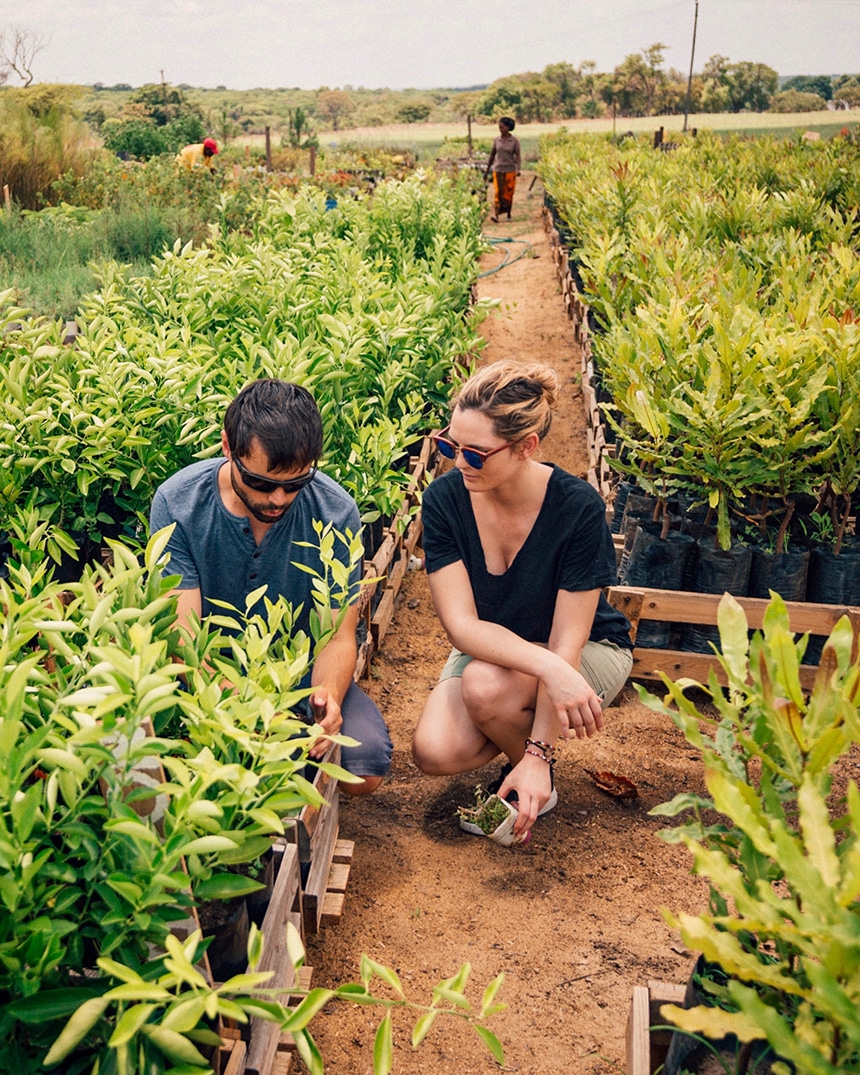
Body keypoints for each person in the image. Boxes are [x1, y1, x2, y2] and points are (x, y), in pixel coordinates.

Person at [412, 361, 633, 838]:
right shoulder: (446, 500)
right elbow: (462, 628)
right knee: (433, 750)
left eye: (475, 454)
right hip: (495, 645)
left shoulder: (576, 508)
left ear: (525, 447)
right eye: (450, 446)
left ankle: (536, 773)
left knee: (485, 687)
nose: (458, 463)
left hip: (588, 646)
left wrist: (539, 744)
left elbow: (566, 646)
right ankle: (521, 748)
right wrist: (549, 671)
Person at [150, 378, 393, 795]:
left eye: (295, 484)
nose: (279, 499)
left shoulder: (336, 513)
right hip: (211, 684)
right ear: (228, 447)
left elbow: (338, 634)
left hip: (296, 683)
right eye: (262, 483)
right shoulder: (178, 504)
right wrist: (249, 713)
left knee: (364, 768)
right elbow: (186, 639)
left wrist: (327, 698)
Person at [484, 117, 521, 222]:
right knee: (498, 193)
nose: (500, 129)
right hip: (498, 169)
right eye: (499, 127)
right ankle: (496, 214)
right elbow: (492, 155)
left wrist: (518, 169)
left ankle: (508, 213)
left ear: (508, 128)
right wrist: (487, 171)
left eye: (502, 127)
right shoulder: (496, 140)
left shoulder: (514, 141)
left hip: (510, 169)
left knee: (508, 192)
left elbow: (518, 156)